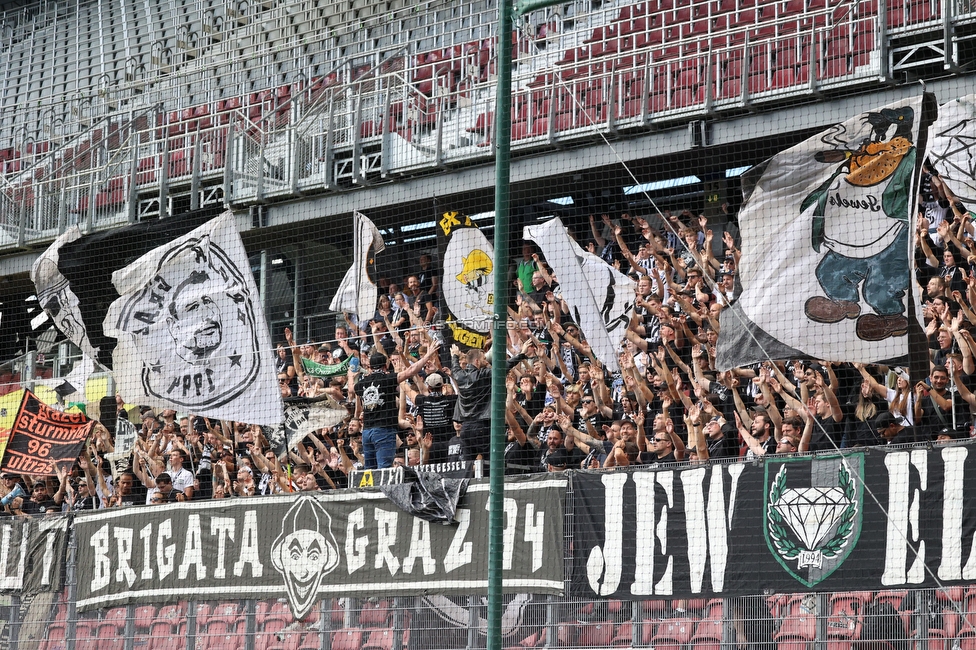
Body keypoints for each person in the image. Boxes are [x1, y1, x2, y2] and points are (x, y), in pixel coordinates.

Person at [353, 343, 440, 469]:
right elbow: (411, 371)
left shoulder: (361, 384)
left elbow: (352, 387)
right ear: (386, 365)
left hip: (367, 432)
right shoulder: (388, 378)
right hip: (384, 430)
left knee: (369, 469)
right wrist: (427, 356)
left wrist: (353, 374)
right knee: (384, 468)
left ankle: (371, 489)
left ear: (370, 367)